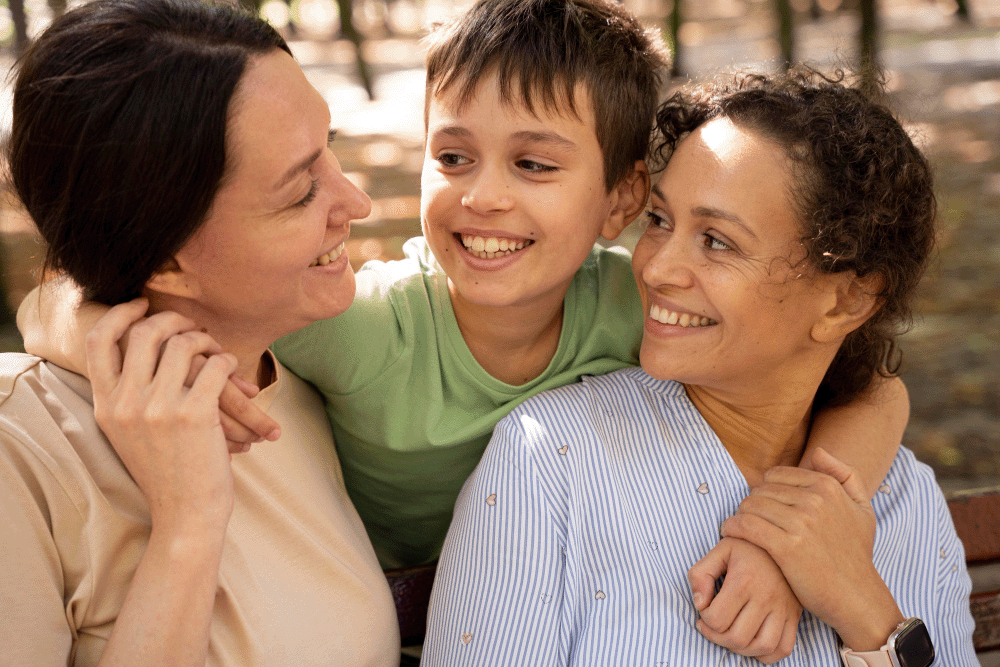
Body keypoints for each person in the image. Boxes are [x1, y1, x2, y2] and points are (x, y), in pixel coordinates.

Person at [18, 0, 911, 658]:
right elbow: (122, 277)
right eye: (451, 158)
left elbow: (868, 382)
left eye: (533, 163)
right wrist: (88, 323)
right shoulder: (362, 330)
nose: (481, 194)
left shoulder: (644, 303)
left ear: (622, 199)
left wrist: (791, 526)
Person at [422, 68, 978, 666]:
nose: (657, 269)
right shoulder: (551, 463)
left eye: (717, 241)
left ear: (846, 300)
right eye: (660, 221)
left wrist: (870, 615)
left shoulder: (904, 498)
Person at [0, 0, 399, 663]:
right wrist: (188, 525)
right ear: (163, 259)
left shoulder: (306, 369)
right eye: (301, 193)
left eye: (329, 153)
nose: (355, 203)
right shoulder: (22, 458)